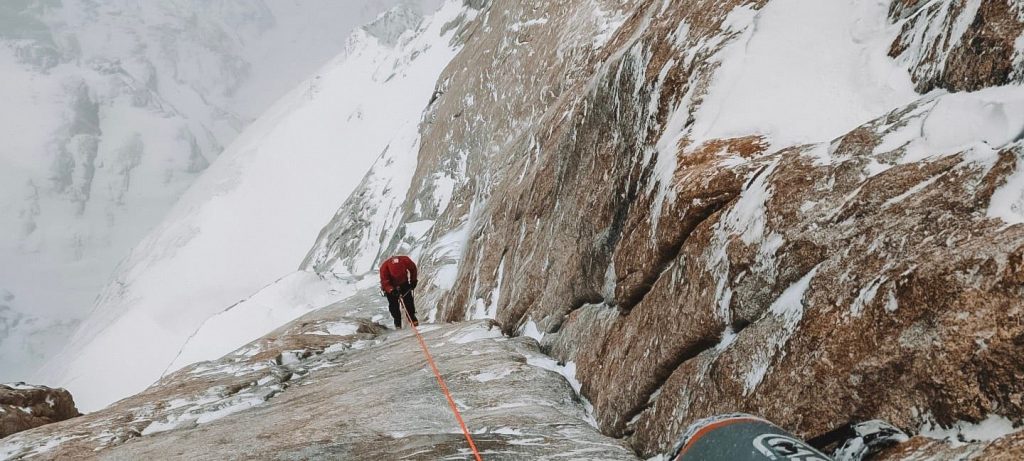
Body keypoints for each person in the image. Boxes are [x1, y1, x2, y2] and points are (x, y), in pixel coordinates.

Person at [379, 255, 419, 328]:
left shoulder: (405, 260)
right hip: (391, 285)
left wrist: (413, 280)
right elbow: (385, 282)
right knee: (394, 305)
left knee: (408, 301)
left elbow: (413, 269)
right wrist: (391, 290)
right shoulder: (384, 268)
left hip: (403, 282)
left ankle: (412, 317)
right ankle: (397, 322)